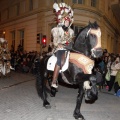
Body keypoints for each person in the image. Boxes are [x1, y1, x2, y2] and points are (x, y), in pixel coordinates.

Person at [51, 2, 74, 88]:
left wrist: (72, 44)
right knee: (60, 61)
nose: (67, 23)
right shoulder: (57, 29)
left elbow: (71, 41)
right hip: (59, 49)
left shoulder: (71, 32)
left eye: (68, 21)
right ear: (63, 21)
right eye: (66, 21)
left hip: (68, 49)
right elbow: (55, 41)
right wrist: (59, 44)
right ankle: (54, 81)